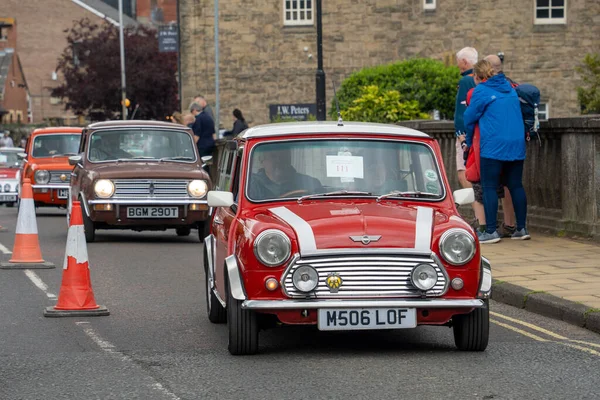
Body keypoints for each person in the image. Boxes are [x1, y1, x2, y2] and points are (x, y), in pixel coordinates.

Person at [464, 59, 530, 243]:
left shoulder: (481, 91)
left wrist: (468, 141)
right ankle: (522, 228)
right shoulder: (510, 88)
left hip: (493, 145)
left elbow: (469, 118)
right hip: (516, 143)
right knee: (515, 185)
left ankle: (490, 231)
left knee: (489, 186)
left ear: (477, 76)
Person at [454, 47, 485, 230]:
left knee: (463, 172)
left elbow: (461, 110)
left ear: (465, 62)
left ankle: (478, 217)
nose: (459, 67)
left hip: (467, 133)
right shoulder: (484, 80)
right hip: (482, 133)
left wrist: (460, 134)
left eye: (459, 63)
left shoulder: (466, 79)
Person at [249, 147, 323, 200]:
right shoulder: (251, 185)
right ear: (262, 161)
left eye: (283, 156)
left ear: (289, 158)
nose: (278, 161)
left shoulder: (310, 183)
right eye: (273, 156)